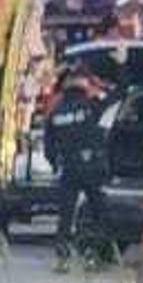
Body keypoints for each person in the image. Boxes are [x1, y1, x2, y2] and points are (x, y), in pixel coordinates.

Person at [44, 62, 113, 272]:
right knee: (98, 214)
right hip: (93, 167)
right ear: (84, 86)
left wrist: (56, 164)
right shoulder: (91, 106)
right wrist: (120, 67)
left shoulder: (56, 113)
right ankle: (93, 256)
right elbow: (118, 95)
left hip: (70, 168)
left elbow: (49, 147)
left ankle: (62, 258)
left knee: (66, 215)